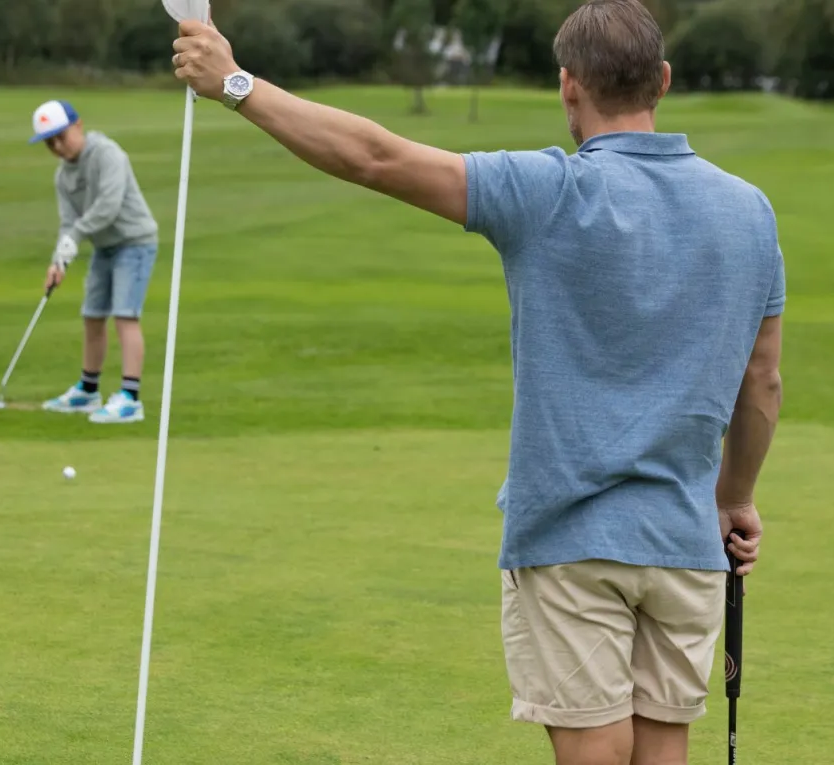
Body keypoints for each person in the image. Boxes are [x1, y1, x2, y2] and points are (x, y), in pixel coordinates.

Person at [171, 0, 785, 762]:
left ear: (568, 85)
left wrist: (234, 83)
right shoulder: (750, 212)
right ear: (661, 79)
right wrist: (735, 496)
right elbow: (761, 383)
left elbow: (375, 157)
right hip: (684, 539)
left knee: (595, 747)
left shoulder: (546, 191)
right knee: (663, 748)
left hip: (569, 537)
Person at [28, 99, 160, 424]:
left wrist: (75, 237)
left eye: (61, 137)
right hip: (104, 247)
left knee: (125, 315)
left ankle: (130, 397)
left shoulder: (107, 154)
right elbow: (67, 222)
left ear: (78, 125)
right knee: (92, 315)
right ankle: (88, 390)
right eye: (50, 143)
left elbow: (108, 206)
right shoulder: (63, 177)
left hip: (134, 241)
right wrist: (59, 260)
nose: (58, 146)